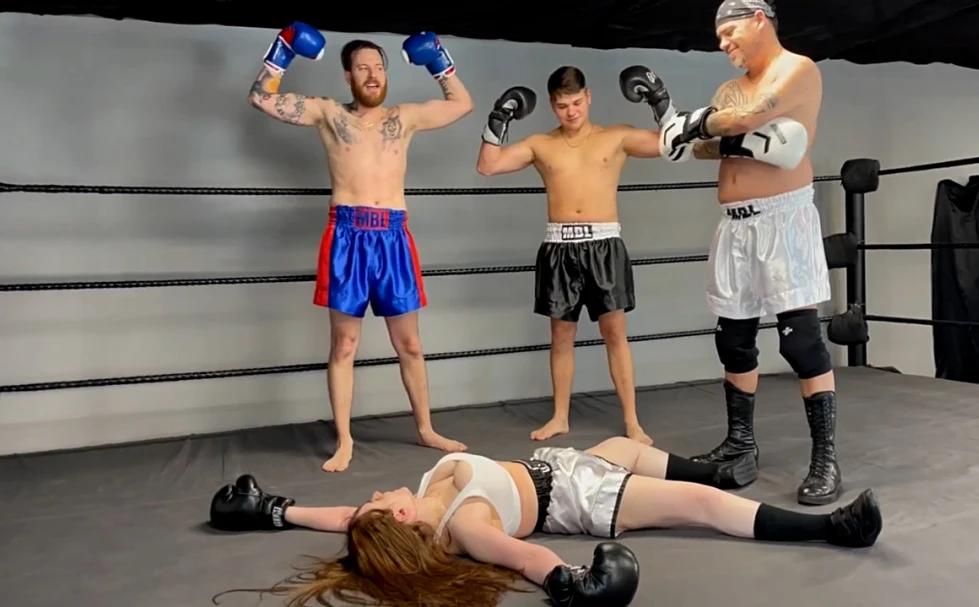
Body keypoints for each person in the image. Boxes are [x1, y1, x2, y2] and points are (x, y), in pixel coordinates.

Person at [208, 437, 883, 607]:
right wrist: (570, 579)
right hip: (577, 498)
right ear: (404, 516)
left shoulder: (402, 512)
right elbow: (524, 557)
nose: (377, 492)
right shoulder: (467, 526)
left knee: (626, 445)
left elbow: (345, 517)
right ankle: (829, 528)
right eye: (382, 499)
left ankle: (715, 469)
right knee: (697, 508)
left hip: (555, 464)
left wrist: (274, 509)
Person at [623, 0, 841, 505]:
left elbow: (747, 117)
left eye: (730, 33)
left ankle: (825, 458)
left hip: (784, 219)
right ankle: (741, 445)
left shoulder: (798, 70)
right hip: (735, 226)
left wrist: (700, 123)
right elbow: (705, 144)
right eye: (719, 36)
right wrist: (715, 133)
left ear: (759, 20)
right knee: (733, 339)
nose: (723, 44)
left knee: (801, 342)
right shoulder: (727, 89)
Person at [246, 23, 473, 472]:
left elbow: (462, 104)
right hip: (347, 236)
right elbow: (260, 97)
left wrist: (438, 61)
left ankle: (426, 429)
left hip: (393, 236)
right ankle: (345, 440)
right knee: (344, 345)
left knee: (410, 344)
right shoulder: (328, 113)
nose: (372, 74)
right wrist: (283, 48)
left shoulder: (404, 118)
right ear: (347, 75)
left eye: (378, 67)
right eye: (363, 68)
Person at [474, 66, 673, 445]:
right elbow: (488, 165)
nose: (572, 111)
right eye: (563, 105)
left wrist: (659, 100)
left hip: (604, 245)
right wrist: (498, 118)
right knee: (561, 336)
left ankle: (632, 421)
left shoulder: (616, 137)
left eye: (577, 102)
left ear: (589, 97)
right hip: (559, 247)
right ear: (553, 105)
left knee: (615, 334)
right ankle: (560, 417)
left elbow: (670, 144)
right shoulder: (540, 144)